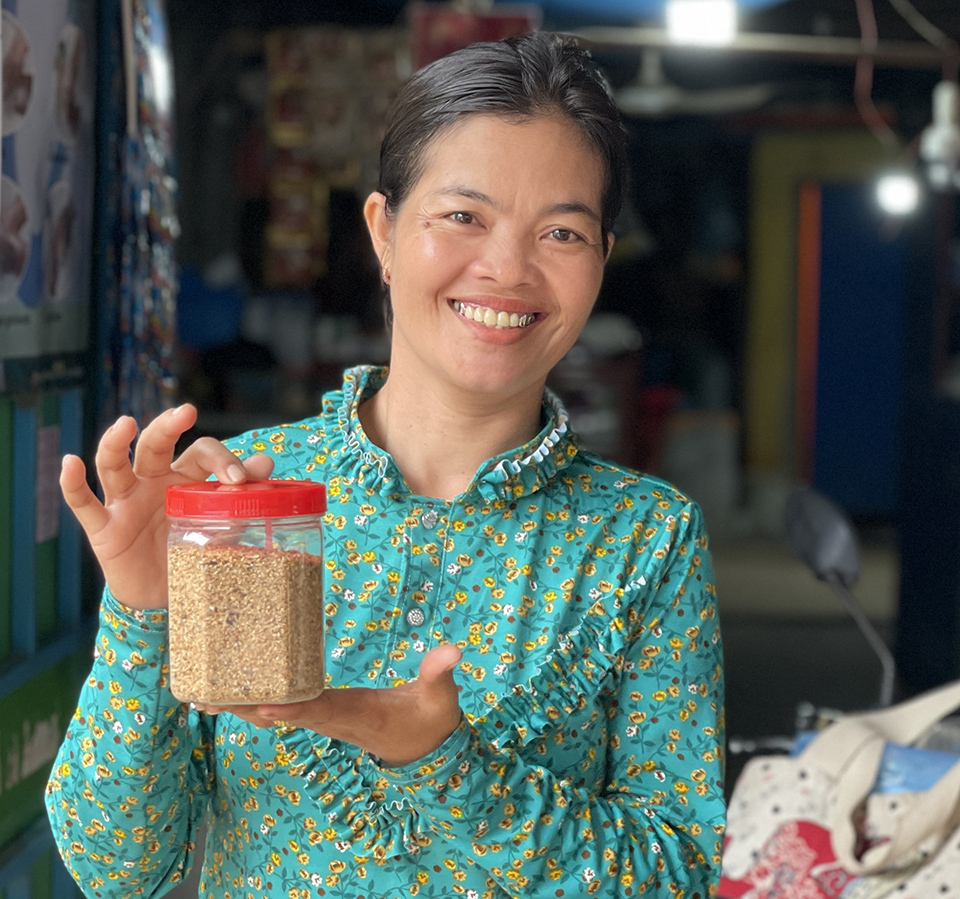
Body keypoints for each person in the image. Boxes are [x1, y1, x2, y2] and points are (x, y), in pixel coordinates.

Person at [47, 31, 725, 899]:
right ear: (384, 230)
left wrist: (447, 768)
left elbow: (677, 875)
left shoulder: (645, 539)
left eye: (561, 230)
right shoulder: (241, 496)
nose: (508, 269)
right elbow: (119, 869)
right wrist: (142, 620)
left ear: (600, 260)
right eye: (463, 216)